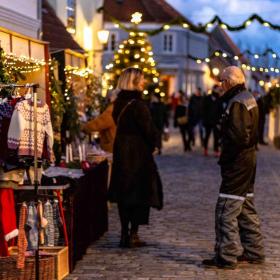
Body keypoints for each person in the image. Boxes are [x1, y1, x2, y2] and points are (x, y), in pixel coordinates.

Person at [203, 66, 264, 269]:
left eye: (222, 81)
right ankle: (254, 251)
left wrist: (226, 158)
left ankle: (226, 256)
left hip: (238, 163)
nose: (220, 85)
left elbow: (238, 137)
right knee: (245, 208)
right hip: (247, 160)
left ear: (229, 82)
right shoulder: (246, 98)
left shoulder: (237, 102)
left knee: (225, 210)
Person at [108, 67, 163, 248]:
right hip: (138, 152)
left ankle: (124, 233)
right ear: (134, 82)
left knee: (124, 193)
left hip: (122, 149)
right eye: (141, 79)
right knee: (139, 192)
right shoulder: (138, 104)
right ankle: (133, 234)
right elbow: (148, 128)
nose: (144, 82)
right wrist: (155, 144)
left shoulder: (118, 103)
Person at [202, 85, 223, 157]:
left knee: (216, 137)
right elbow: (204, 110)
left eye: (218, 89)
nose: (218, 90)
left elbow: (221, 111)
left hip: (216, 121)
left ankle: (216, 150)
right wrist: (204, 119)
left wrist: (220, 120)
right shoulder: (207, 98)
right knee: (207, 136)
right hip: (208, 121)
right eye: (217, 89)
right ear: (213, 89)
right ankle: (205, 149)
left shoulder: (219, 99)